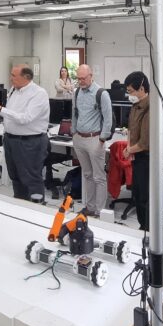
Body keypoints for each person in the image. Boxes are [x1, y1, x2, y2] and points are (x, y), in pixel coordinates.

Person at [0, 64, 50, 202]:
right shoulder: (14, 90)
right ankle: (20, 205)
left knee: (31, 179)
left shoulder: (38, 93)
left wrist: (0, 110)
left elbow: (25, 118)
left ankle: (35, 210)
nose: (10, 78)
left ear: (26, 77)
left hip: (29, 142)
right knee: (15, 177)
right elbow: (12, 113)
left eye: (13, 76)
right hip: (11, 140)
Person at [71, 64, 112, 216]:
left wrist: (102, 139)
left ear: (91, 76)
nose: (81, 81)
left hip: (95, 139)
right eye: (78, 78)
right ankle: (90, 207)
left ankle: (99, 211)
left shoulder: (101, 93)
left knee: (99, 177)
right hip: (79, 138)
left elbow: (108, 119)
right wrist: (74, 133)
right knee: (87, 175)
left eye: (83, 78)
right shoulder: (77, 93)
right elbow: (74, 114)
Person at [122, 72, 151, 229]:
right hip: (136, 156)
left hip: (146, 158)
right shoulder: (135, 105)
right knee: (138, 194)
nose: (129, 95)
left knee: (144, 196)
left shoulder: (150, 108)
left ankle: (147, 229)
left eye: (131, 91)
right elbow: (131, 129)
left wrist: (129, 151)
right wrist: (129, 147)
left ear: (141, 88)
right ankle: (142, 226)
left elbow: (145, 143)